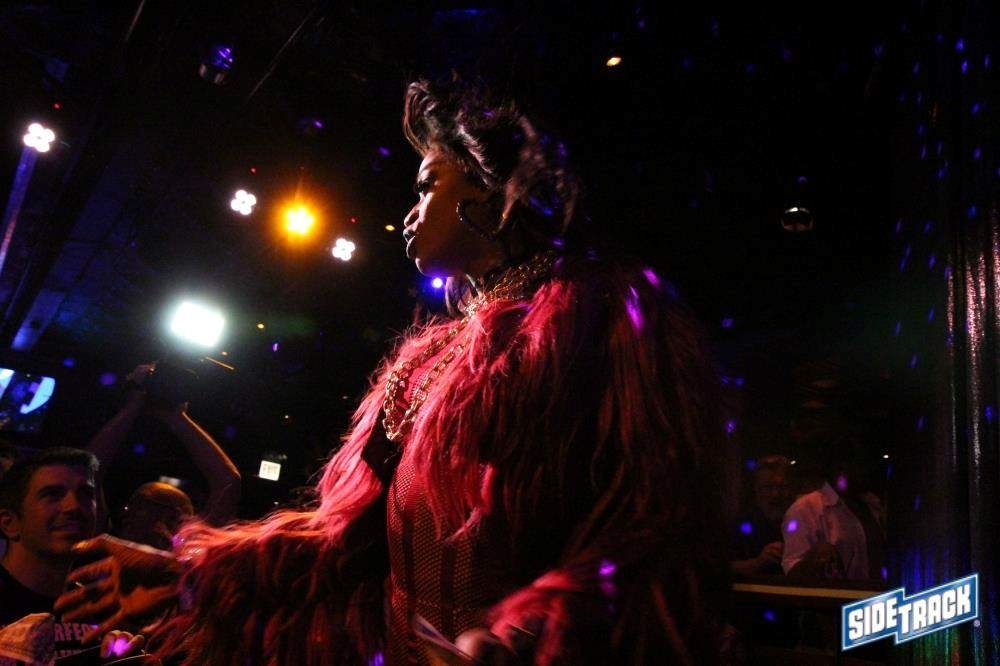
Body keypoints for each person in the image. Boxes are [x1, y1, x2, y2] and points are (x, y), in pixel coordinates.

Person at [56, 76, 734, 664]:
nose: (410, 211)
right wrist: (187, 571)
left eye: (429, 183)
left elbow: (655, 524)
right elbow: (345, 543)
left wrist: (533, 636)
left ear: (491, 187)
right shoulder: (423, 362)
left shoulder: (608, 319)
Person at [88, 363, 241, 534]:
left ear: (175, 517)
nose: (128, 512)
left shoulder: (187, 549)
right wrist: (172, 415)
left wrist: (173, 415)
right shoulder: (105, 544)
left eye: (143, 504)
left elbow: (228, 483)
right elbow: (87, 472)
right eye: (132, 505)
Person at [0, 448, 99, 658]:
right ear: (10, 523)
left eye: (86, 494)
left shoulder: (98, 608)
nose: (74, 506)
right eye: (52, 495)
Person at [730, 454, 794, 577]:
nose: (775, 494)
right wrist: (757, 563)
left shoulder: (803, 520)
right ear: (756, 488)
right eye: (768, 487)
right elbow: (723, 567)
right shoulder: (742, 523)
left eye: (782, 487)